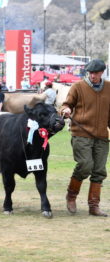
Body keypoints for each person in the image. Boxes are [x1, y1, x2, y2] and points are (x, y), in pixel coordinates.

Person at [61, 59, 110, 217]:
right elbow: (65, 104)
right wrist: (66, 109)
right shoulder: (78, 87)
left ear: (102, 72)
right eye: (90, 73)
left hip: (102, 135)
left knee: (99, 171)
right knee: (85, 165)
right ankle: (71, 196)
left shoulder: (109, 87)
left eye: (95, 73)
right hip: (81, 133)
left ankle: (94, 206)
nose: (92, 75)